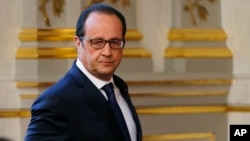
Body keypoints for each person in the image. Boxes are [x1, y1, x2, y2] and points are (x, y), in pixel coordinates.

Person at [24, 3, 142, 141]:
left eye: (115, 42)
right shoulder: (55, 101)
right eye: (98, 42)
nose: (107, 52)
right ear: (78, 44)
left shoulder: (119, 87)